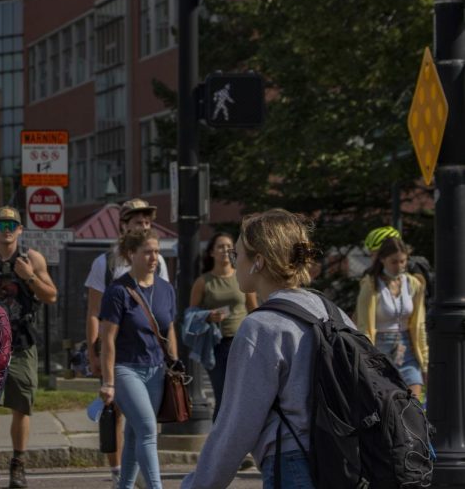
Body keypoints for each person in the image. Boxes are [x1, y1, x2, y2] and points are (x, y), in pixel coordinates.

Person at [181, 208, 353, 489]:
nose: (234, 263)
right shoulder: (331, 311)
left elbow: (235, 426)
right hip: (343, 460)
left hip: (293, 464)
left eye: (238, 255)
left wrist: (199, 484)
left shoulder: (260, 327)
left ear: (258, 262)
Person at [0, 206, 57, 488]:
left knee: (22, 405)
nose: (7, 230)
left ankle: (18, 463)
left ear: (20, 230)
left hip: (20, 342)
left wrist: (29, 276)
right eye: (2, 225)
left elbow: (51, 296)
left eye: (12, 225)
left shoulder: (32, 258)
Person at [84, 198, 170, 487]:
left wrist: (172, 359)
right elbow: (95, 314)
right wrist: (93, 354)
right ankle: (139, 480)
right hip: (120, 360)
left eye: (147, 221)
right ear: (124, 225)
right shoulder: (106, 263)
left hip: (152, 360)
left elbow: (163, 314)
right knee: (143, 427)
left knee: (136, 429)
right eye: (137, 220)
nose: (143, 225)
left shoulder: (159, 264)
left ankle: (124, 484)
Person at [98, 228, 178, 489]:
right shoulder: (118, 291)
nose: (154, 257)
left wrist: (174, 364)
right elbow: (107, 338)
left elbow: (169, 330)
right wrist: (108, 382)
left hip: (156, 369)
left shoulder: (166, 289)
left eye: (157, 251)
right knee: (147, 430)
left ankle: (125, 487)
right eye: (147, 252)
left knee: (134, 434)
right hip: (125, 369)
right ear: (132, 254)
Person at [187, 232, 257, 420]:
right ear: (211, 252)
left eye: (228, 246)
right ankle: (219, 442)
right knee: (224, 395)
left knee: (241, 395)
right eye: (220, 246)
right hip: (217, 344)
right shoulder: (203, 282)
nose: (225, 250)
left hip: (242, 341)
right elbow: (190, 315)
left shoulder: (242, 277)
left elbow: (254, 309)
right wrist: (208, 316)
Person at [355, 236, 428, 400]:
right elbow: (364, 325)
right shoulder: (371, 284)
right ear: (382, 260)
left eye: (403, 261)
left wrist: (424, 362)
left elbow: (419, 325)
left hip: (407, 347)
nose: (400, 266)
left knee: (414, 403)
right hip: (380, 348)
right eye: (394, 262)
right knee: (387, 404)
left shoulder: (413, 283)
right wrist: (366, 358)